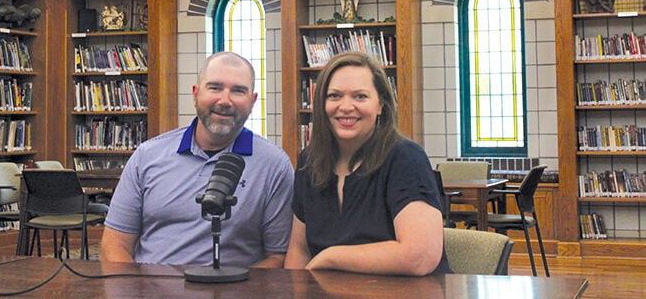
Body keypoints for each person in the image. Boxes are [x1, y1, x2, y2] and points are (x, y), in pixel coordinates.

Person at [100, 51, 294, 268]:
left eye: (238, 91)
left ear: (252, 101)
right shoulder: (147, 156)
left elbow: (278, 257)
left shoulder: (275, 166)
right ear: (195, 94)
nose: (225, 100)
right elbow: (114, 245)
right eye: (215, 88)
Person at [284, 51, 451, 276]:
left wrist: (330, 257)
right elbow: (299, 250)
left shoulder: (406, 158)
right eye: (334, 96)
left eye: (360, 96)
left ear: (380, 104)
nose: (345, 106)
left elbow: (419, 256)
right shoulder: (309, 162)